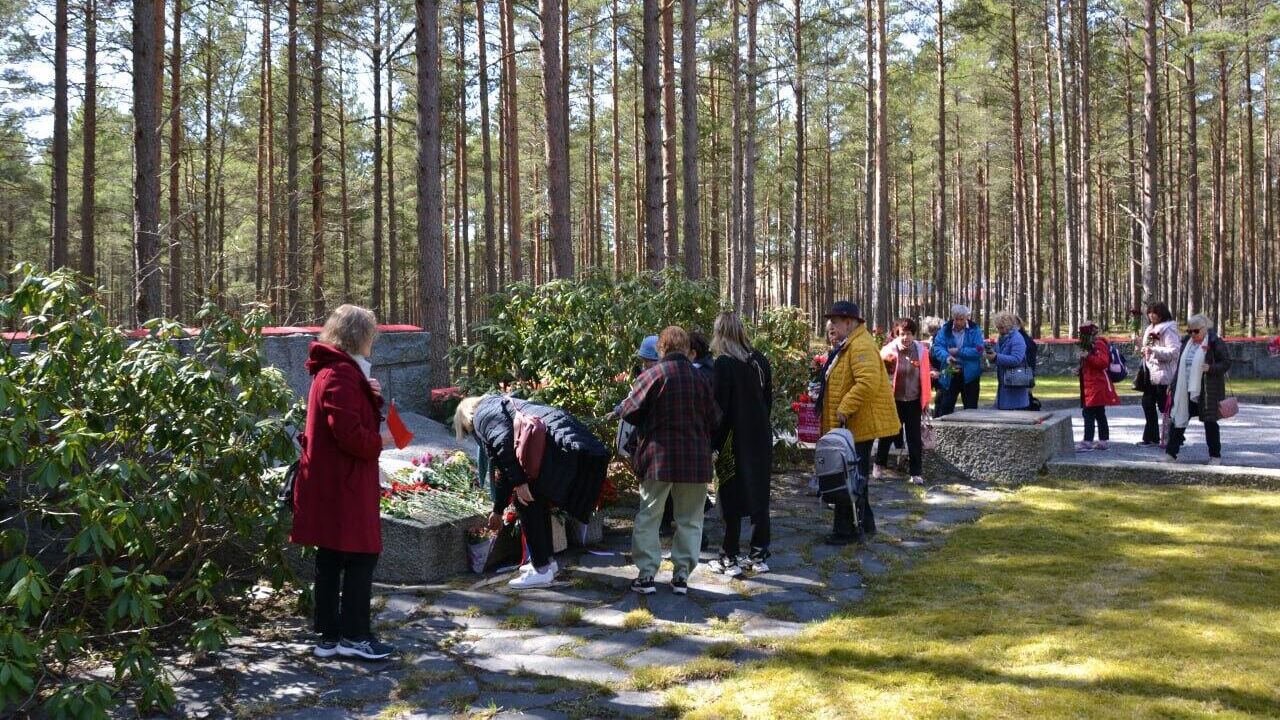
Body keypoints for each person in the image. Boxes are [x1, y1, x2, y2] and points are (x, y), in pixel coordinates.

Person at [291, 304, 396, 661]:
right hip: (345, 485)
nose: (374, 341)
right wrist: (383, 441)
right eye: (371, 335)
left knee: (332, 557)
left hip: (334, 483)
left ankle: (328, 635)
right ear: (360, 336)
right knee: (361, 555)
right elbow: (350, 435)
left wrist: (373, 395)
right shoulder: (340, 374)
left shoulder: (335, 371)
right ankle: (353, 635)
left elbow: (350, 415)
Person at [615, 326, 721, 595]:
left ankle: (647, 575)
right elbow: (715, 419)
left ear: (661, 349)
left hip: (657, 458)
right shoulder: (702, 380)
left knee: (649, 516)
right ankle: (682, 577)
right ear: (687, 350)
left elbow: (629, 411)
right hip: (695, 461)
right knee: (690, 519)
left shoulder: (653, 375)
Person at [815, 301, 899, 545]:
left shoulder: (860, 345)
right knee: (856, 476)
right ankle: (866, 524)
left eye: (836, 321)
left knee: (847, 476)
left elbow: (867, 382)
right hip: (854, 425)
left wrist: (844, 408)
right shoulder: (849, 344)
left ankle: (846, 531)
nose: (831, 325)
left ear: (850, 322)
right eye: (830, 320)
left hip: (858, 425)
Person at [456, 395, 558, 589]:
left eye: (467, 431)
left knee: (525, 503)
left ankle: (541, 570)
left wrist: (519, 483)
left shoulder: (482, 419)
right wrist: (498, 509)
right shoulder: (496, 408)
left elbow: (504, 449)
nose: (472, 434)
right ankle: (547, 562)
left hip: (534, 460)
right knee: (537, 502)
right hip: (543, 456)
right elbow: (504, 470)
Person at [705, 312, 774, 577]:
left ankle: (729, 557)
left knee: (729, 496)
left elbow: (719, 409)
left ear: (720, 333)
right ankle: (758, 555)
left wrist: (713, 442)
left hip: (733, 439)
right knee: (759, 494)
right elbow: (767, 401)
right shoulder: (759, 360)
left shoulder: (724, 363)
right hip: (759, 436)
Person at [1163, 314, 1232, 465]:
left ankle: (1215, 456)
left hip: (1207, 390)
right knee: (1178, 419)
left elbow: (1226, 362)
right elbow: (1180, 366)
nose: (1192, 334)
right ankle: (1170, 454)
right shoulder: (1187, 342)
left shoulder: (1215, 342)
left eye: (1195, 331)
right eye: (1189, 331)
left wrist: (1211, 368)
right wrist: (1173, 385)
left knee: (1210, 423)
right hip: (1185, 388)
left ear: (1204, 329)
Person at [874, 317, 931, 485]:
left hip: (913, 401)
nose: (905, 337)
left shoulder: (921, 352)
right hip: (893, 401)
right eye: (902, 334)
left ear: (914, 334)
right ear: (896, 334)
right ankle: (878, 464)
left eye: (909, 334)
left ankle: (916, 473)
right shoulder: (887, 351)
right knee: (888, 434)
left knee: (914, 438)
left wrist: (926, 401)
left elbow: (925, 377)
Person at [930, 304, 985, 416]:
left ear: (966, 318)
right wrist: (947, 357)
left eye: (961, 319)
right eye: (956, 319)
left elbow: (979, 349)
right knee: (945, 407)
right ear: (953, 317)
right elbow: (938, 347)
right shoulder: (945, 330)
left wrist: (959, 351)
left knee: (971, 409)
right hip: (950, 373)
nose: (958, 322)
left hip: (970, 375)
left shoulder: (975, 330)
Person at [1138, 301, 1180, 446]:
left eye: (1154, 312)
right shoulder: (1150, 328)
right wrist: (1142, 348)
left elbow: (1174, 351)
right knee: (1147, 403)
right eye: (1149, 312)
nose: (1151, 315)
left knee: (1165, 407)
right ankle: (1151, 437)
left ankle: (1173, 437)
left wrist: (1154, 351)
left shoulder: (1168, 329)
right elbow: (1148, 347)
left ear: (1161, 313)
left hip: (1164, 374)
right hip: (1150, 372)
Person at [1076, 321, 1120, 451]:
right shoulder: (1090, 344)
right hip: (1090, 382)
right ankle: (1102, 440)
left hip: (1096, 384)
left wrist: (1088, 356)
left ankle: (1088, 441)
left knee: (1089, 412)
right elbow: (1090, 365)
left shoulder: (1099, 344)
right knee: (1099, 412)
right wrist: (1080, 370)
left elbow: (1103, 363)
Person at [986, 311, 1030, 411]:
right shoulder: (1002, 338)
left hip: (1015, 382)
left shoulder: (1017, 338)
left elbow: (1016, 359)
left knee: (1015, 416)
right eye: (997, 328)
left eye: (1001, 327)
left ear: (1009, 325)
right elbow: (998, 355)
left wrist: (996, 357)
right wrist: (991, 356)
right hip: (1004, 382)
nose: (999, 330)